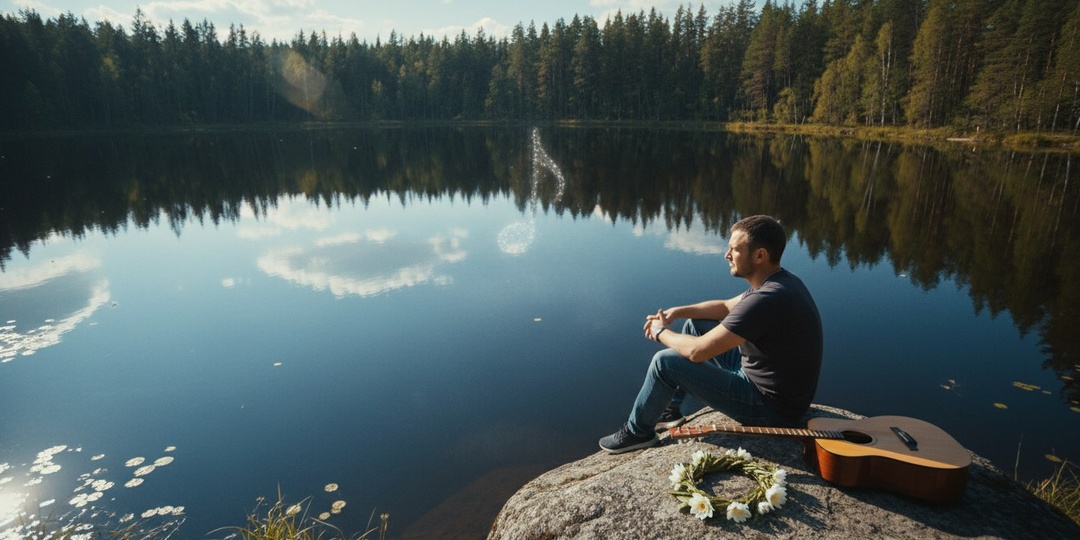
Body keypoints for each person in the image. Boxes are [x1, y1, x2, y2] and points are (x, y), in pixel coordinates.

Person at [599, 215, 823, 454]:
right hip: (771, 388)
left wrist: (660, 331)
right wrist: (678, 312)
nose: (727, 255)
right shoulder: (780, 283)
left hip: (770, 410)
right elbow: (726, 306)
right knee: (696, 325)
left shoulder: (766, 299)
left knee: (664, 363)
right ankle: (670, 411)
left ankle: (637, 433)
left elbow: (698, 352)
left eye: (735, 250)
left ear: (760, 256)